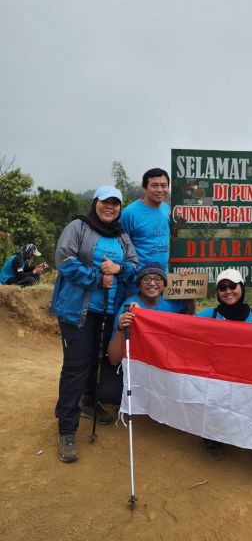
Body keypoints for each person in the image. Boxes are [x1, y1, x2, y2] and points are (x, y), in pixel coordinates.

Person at [51, 185, 137, 464]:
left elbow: (135, 265)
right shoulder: (78, 226)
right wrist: (97, 278)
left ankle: (88, 401)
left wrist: (119, 269)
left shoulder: (121, 235)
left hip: (108, 310)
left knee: (95, 360)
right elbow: (65, 260)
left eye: (115, 203)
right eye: (105, 202)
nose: (110, 207)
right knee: (76, 365)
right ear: (95, 203)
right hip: (77, 311)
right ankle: (67, 429)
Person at [196, 268, 252, 458]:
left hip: (247, 375)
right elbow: (179, 326)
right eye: (222, 287)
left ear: (241, 287)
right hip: (217, 375)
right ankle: (211, 437)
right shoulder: (208, 315)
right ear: (217, 293)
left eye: (233, 286)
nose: (228, 291)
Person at [108, 261, 192, 369]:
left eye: (157, 279)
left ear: (164, 284)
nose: (152, 283)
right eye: (146, 279)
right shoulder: (128, 307)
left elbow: (191, 314)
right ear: (139, 284)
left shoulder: (171, 303)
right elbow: (114, 360)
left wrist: (187, 282)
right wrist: (121, 329)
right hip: (139, 365)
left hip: (163, 365)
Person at [120, 168, 171, 273]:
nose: (160, 190)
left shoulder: (167, 209)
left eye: (163, 185)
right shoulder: (129, 213)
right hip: (137, 279)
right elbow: (120, 247)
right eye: (154, 185)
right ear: (144, 188)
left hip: (161, 278)